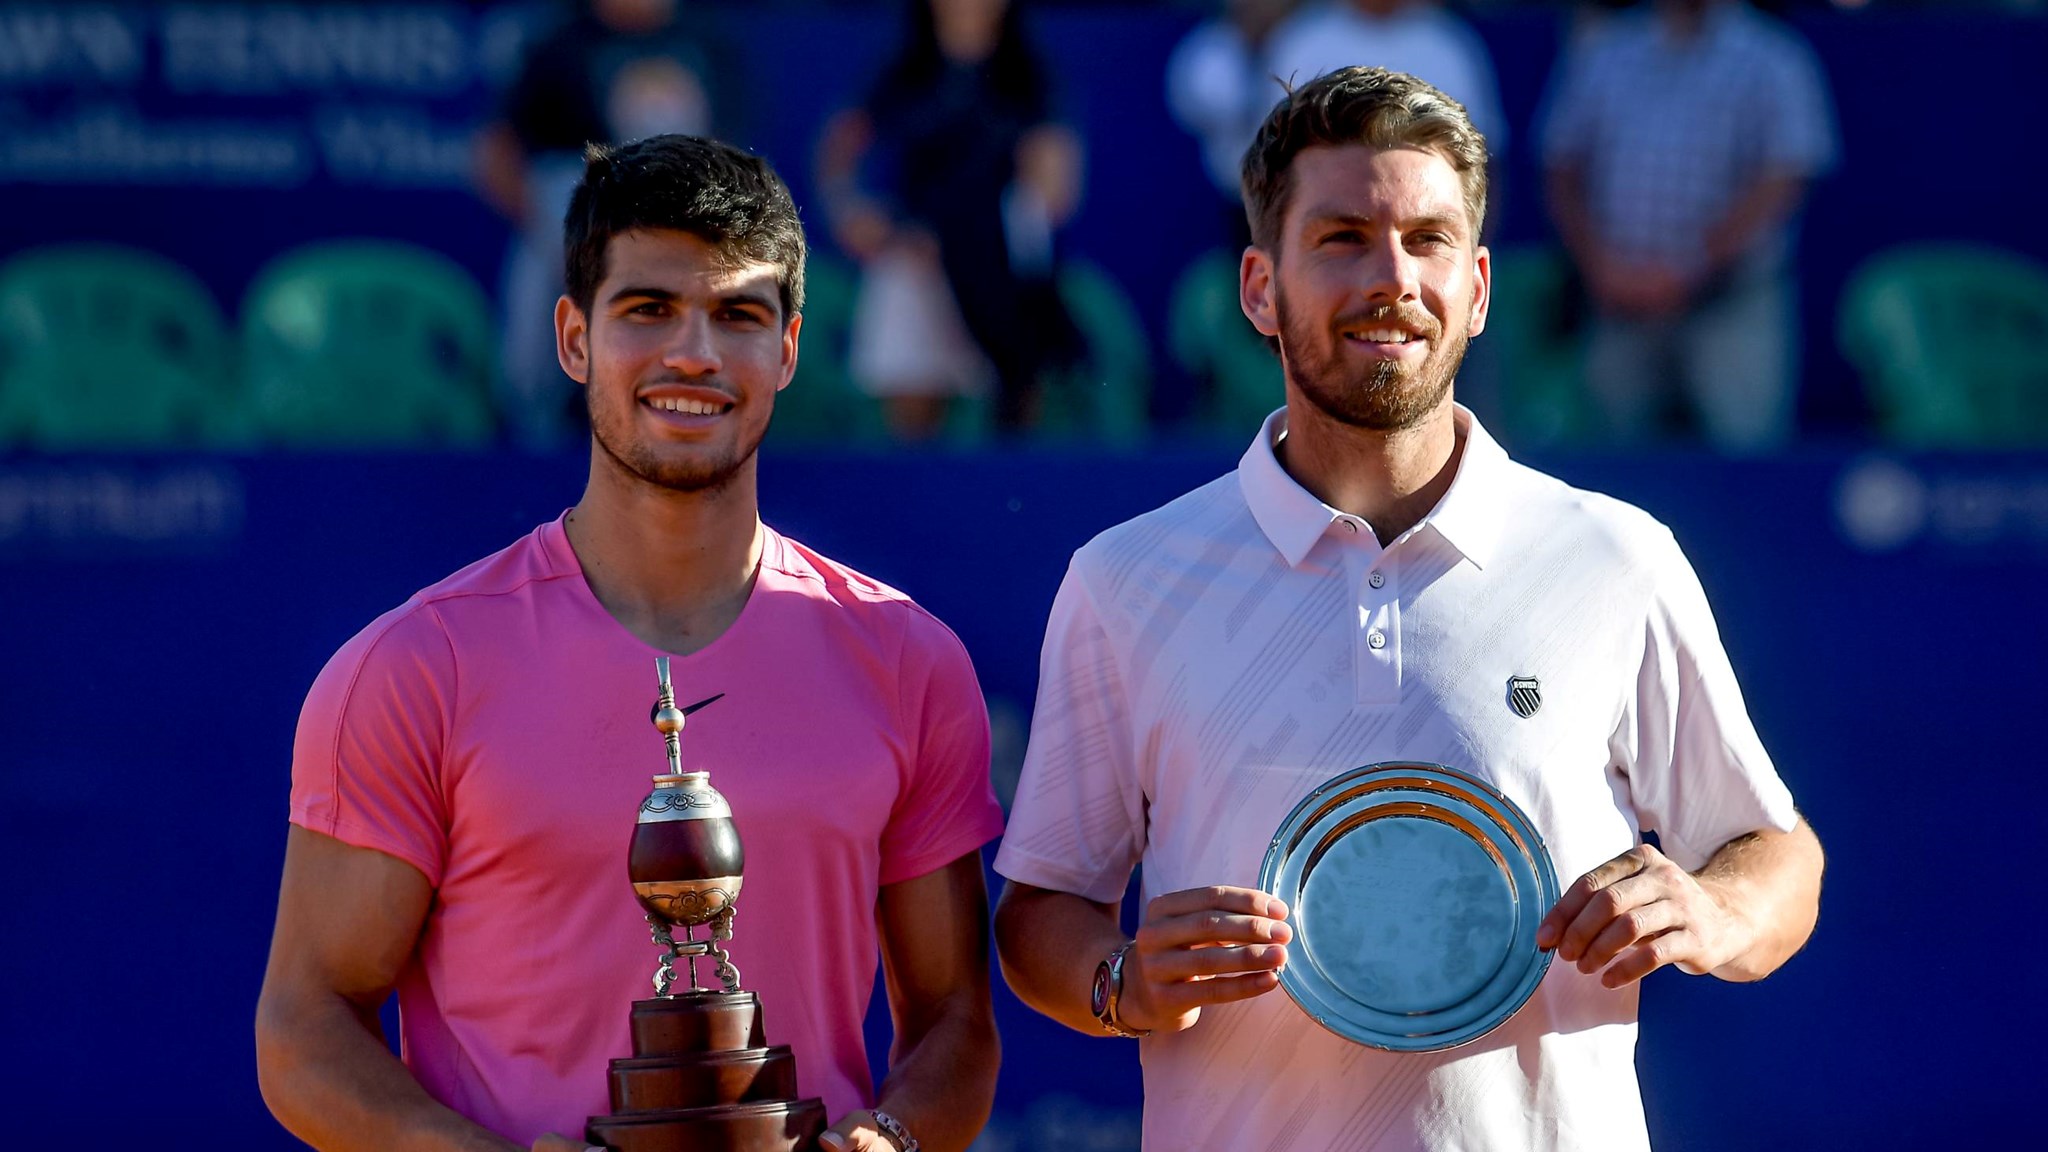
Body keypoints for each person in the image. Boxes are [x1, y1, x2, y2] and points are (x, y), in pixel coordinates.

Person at [991, 67, 1823, 1151]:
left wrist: (1713, 911)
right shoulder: (1124, 579)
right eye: (1340, 237)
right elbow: (1040, 912)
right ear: (1258, 287)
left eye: (1426, 240)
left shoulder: (1616, 557)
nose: (1391, 278)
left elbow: (1774, 852)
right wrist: (1118, 983)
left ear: (1476, 287)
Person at [258, 136, 1004, 1152]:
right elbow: (304, 1029)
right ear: (573, 337)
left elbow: (954, 1022)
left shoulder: (906, 658)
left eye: (737, 315)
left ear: (787, 349)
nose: (692, 352)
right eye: (647, 309)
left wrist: (893, 1139)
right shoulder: (411, 669)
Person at [1540, 0, 1837, 452]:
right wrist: (1601, 267)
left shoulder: (1775, 56)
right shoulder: (1607, 51)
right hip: (1619, 300)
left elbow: (1784, 178)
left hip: (1731, 300)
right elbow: (1562, 166)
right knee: (1610, 466)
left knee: (1747, 461)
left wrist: (1691, 266)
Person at [475, 0, 739, 448]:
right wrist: (559, 235)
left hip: (682, 220)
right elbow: (495, 154)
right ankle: (531, 437)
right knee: (560, 218)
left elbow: (732, 157)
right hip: (573, 218)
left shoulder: (707, 43)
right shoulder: (560, 43)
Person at [815, 0, 1082, 439]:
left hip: (999, 269)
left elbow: (1055, 188)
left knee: (1017, 394)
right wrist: (850, 210)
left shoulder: (1030, 77)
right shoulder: (903, 72)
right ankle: (913, 494)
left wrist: (1006, 216)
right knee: (911, 405)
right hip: (916, 257)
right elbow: (841, 148)